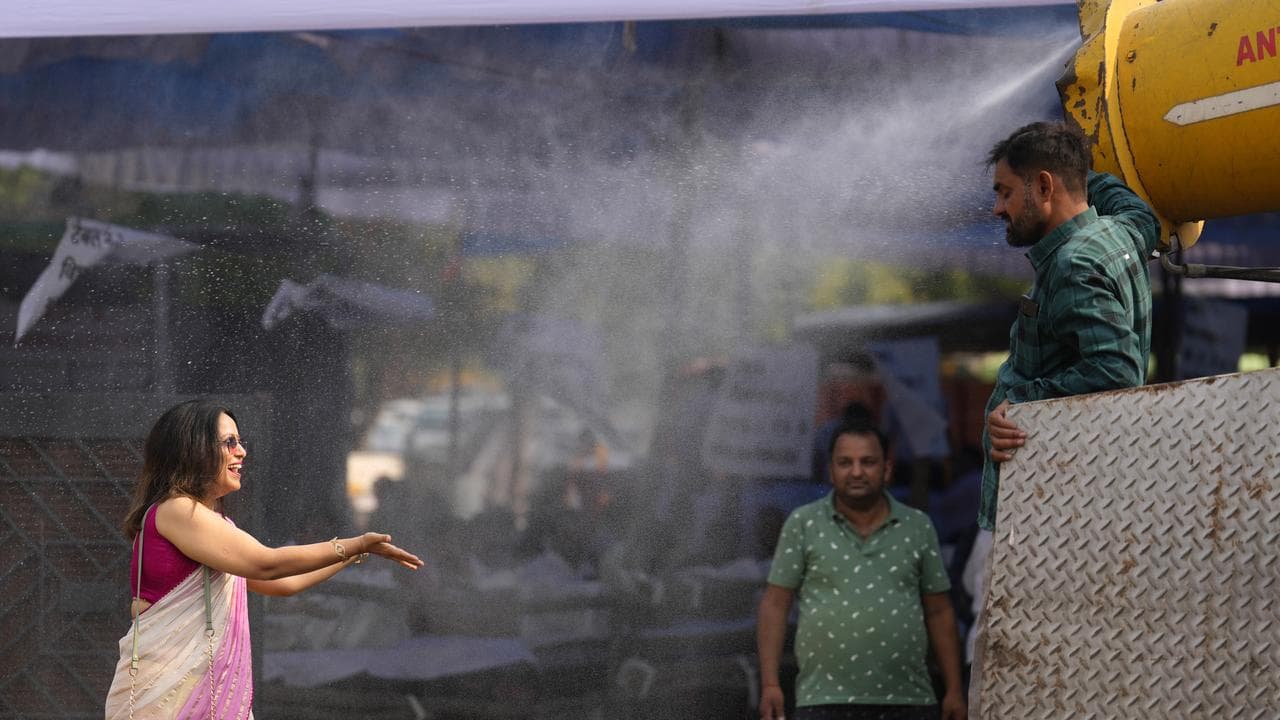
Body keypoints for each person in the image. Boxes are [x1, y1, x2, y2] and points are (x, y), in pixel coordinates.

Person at [969, 121, 1159, 715]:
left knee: (1011, 681)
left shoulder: (1075, 265)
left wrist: (1022, 409)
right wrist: (1076, 157)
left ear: (1043, 187)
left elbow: (1117, 372)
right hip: (1073, 510)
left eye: (1006, 192)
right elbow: (1139, 210)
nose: (998, 208)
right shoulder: (1123, 232)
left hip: (1039, 519)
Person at [104, 399, 423, 719]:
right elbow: (267, 563)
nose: (241, 452)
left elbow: (282, 582)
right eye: (229, 443)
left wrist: (358, 552)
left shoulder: (213, 524)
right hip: (165, 695)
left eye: (240, 442)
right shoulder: (176, 510)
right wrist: (353, 544)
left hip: (198, 689)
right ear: (194, 449)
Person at [756, 410, 966, 720]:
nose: (856, 472)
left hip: (908, 701)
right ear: (831, 471)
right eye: (845, 463)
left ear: (887, 469)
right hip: (822, 701)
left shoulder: (917, 526)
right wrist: (771, 684)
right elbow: (775, 606)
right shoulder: (804, 523)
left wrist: (954, 690)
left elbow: (939, 611)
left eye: (867, 462)